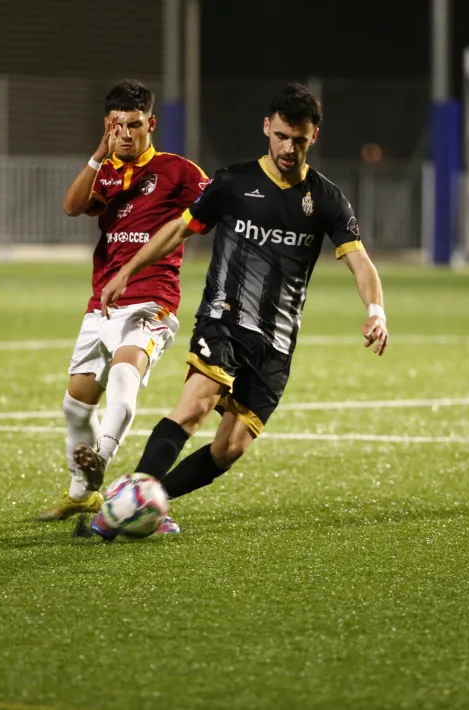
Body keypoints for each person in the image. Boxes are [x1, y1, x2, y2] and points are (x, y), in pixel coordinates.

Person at [91, 83, 390, 539]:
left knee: (230, 447)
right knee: (194, 407)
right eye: (281, 136)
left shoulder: (326, 199)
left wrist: (376, 311)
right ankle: (119, 511)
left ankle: (148, 502)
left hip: (276, 342)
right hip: (224, 320)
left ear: (313, 137)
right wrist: (128, 270)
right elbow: (177, 230)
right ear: (267, 127)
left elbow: (360, 262)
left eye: (299, 140)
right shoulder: (233, 183)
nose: (288, 148)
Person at [36, 79, 209, 531]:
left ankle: (102, 457)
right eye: (117, 126)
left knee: (124, 374)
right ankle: (82, 494)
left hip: (152, 298)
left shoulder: (178, 171)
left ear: (151, 123)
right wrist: (99, 153)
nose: (126, 134)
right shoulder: (107, 171)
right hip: (103, 302)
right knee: (76, 406)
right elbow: (72, 206)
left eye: (134, 125)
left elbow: (216, 206)